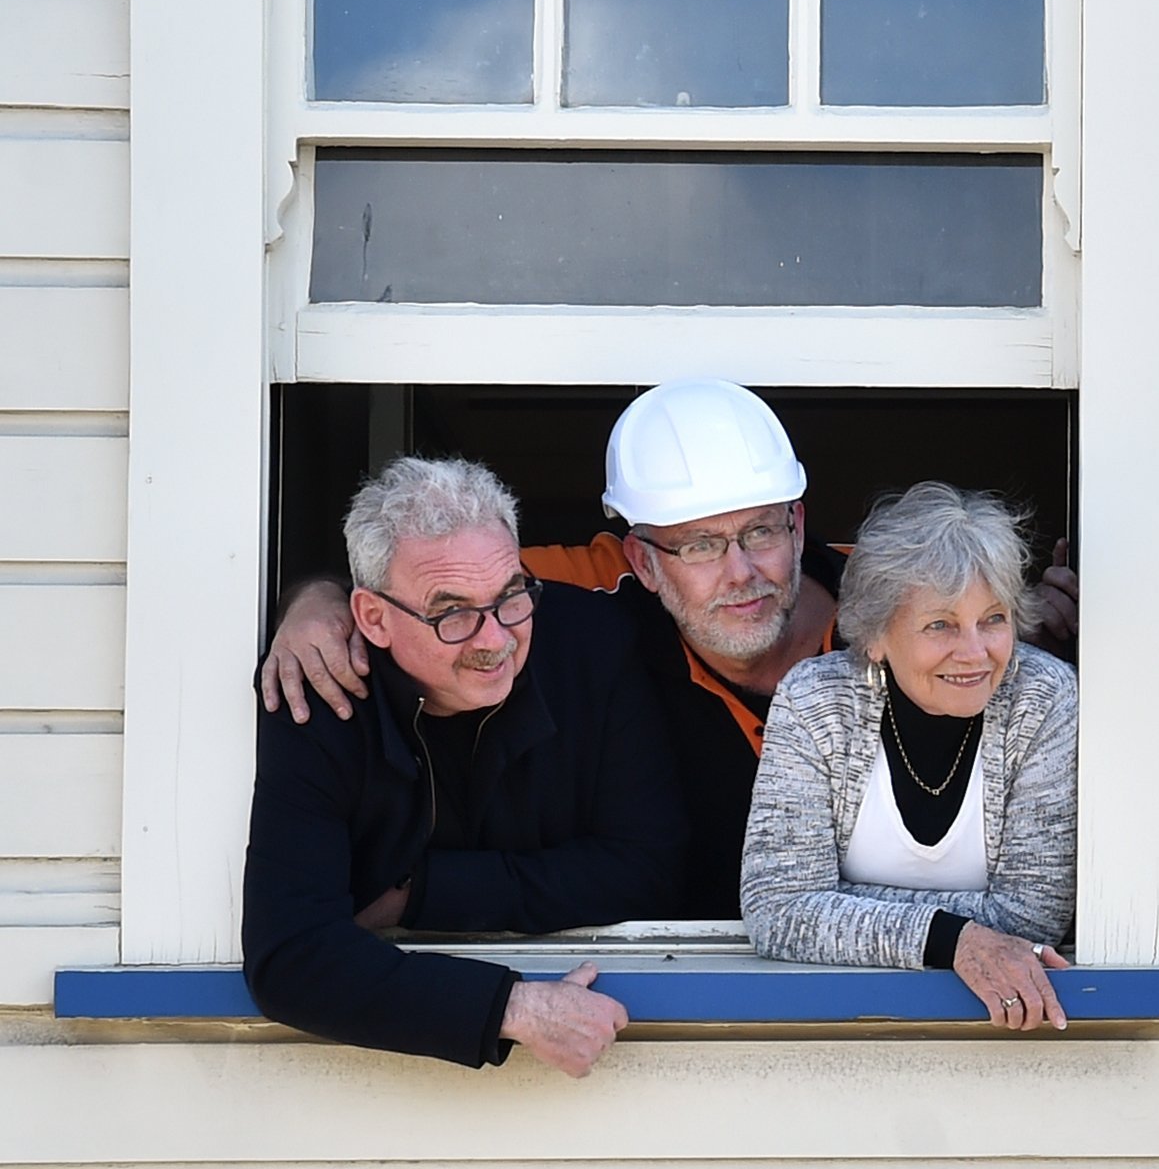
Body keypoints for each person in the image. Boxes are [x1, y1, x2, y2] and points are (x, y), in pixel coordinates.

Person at [259, 379, 1085, 917]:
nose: (743, 572)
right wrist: (314, 603)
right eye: (699, 546)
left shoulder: (903, 598)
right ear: (643, 562)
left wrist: (1048, 622)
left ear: (797, 521)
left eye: (761, 530)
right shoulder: (586, 593)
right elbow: (424, 581)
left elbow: (986, 600)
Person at [241, 458, 686, 1074]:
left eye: (510, 597)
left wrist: (419, 895)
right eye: (452, 613)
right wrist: (511, 1008)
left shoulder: (591, 644)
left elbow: (650, 865)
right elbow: (291, 956)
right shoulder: (321, 686)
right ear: (372, 617)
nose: (495, 639)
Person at [742, 484, 1079, 1030]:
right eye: (940, 624)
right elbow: (777, 910)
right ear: (875, 635)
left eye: (993, 619)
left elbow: (1031, 916)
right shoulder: (815, 700)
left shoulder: (1043, 697)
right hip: (834, 1028)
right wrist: (956, 938)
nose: (974, 653)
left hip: (1002, 1037)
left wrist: (836, 904)